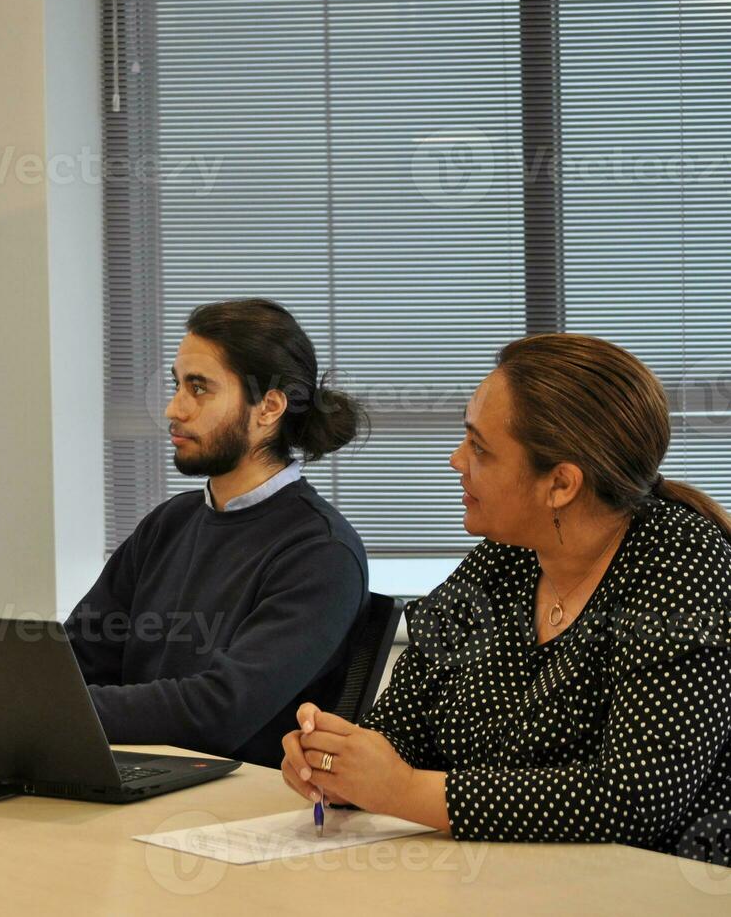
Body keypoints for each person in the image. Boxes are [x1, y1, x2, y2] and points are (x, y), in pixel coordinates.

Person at [281, 334, 731, 863]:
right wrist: (337, 761)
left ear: (560, 484)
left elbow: (635, 798)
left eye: (479, 449)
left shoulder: (682, 564)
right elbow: (399, 729)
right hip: (489, 875)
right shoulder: (504, 558)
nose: (455, 461)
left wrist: (403, 791)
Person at [64, 299, 368, 767]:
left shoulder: (320, 552)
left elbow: (218, 711)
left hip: (243, 814)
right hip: (140, 780)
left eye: (199, 388)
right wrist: (24, 702)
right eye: (177, 385)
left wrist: (57, 711)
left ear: (268, 407)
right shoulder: (168, 524)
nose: (173, 408)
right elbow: (76, 659)